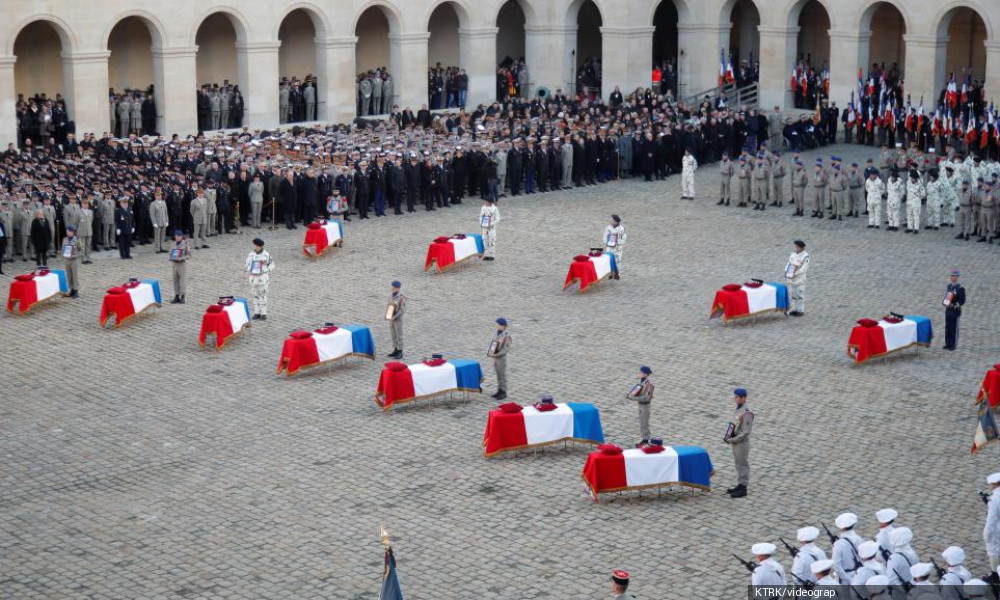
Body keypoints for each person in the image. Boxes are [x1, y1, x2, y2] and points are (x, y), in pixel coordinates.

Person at [724, 388, 753, 498]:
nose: (735, 399)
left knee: (743, 464)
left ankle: (743, 488)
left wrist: (733, 439)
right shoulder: (739, 409)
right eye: (735, 397)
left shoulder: (747, 413)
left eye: (737, 397)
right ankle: (740, 484)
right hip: (736, 441)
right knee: (738, 463)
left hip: (741, 442)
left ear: (743, 398)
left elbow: (746, 432)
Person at [245, 238, 274, 320]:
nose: (255, 247)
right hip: (253, 279)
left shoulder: (266, 255)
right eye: (255, 245)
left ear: (261, 246)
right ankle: (257, 313)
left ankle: (263, 314)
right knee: (255, 296)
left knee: (263, 296)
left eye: (257, 246)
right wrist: (250, 270)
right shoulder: (251, 255)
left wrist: (264, 270)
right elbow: (247, 265)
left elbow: (272, 265)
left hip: (262, 279)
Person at [832, 512, 864, 584]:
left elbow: (837, 566)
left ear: (841, 527)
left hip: (845, 580)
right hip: (859, 575)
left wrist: (849, 580)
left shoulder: (839, 544)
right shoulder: (859, 539)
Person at [626, 366, 654, 445]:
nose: (639, 374)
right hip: (640, 405)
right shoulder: (641, 382)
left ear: (645, 374)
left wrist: (634, 398)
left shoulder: (648, 385)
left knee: (645, 423)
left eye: (641, 372)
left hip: (645, 406)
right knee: (642, 423)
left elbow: (646, 397)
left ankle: (646, 439)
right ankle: (644, 438)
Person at [488, 317, 512, 400]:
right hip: (495, 358)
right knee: (498, 374)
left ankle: (503, 391)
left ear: (503, 326)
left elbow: (506, 348)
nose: (497, 326)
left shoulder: (506, 335)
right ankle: (499, 390)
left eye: (498, 324)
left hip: (501, 358)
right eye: (497, 324)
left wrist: (497, 354)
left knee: (502, 375)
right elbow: (494, 343)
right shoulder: (496, 333)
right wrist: (491, 352)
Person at [784, 240, 809, 316]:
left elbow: (804, 268)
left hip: (799, 278)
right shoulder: (793, 254)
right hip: (791, 277)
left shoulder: (805, 256)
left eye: (797, 247)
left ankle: (800, 310)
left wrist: (796, 273)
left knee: (799, 294)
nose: (795, 248)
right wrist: (785, 271)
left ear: (801, 247)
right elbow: (789, 263)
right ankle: (793, 309)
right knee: (792, 294)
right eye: (795, 246)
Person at [943, 269, 966, 351]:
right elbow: (947, 295)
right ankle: (948, 343)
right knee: (948, 327)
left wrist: (954, 305)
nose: (953, 277)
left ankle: (953, 345)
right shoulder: (949, 286)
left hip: (955, 311)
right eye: (952, 276)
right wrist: (946, 303)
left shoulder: (960, 288)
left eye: (954, 276)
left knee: (954, 327)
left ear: (957, 277)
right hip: (948, 310)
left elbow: (962, 301)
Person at [60, 225, 82, 298]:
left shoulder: (77, 240)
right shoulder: (65, 239)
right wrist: (63, 255)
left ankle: (76, 291)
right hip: (67, 260)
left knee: (74, 276)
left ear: (72, 232)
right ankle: (71, 289)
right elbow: (63, 249)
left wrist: (76, 255)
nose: (68, 233)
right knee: (69, 275)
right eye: (67, 231)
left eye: (69, 231)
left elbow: (81, 250)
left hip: (74, 260)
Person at [984, 471, 1000, 570]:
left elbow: (991, 520)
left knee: (993, 550)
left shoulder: (994, 499)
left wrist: (987, 534)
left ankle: (995, 574)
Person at [169, 230, 190, 304]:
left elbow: (188, 255)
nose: (177, 237)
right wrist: (171, 257)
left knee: (182, 280)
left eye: (178, 236)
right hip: (174, 264)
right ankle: (176, 295)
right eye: (176, 236)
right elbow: (171, 252)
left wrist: (181, 258)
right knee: (175, 280)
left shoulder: (185, 244)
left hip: (181, 264)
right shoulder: (173, 244)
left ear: (181, 237)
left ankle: (183, 296)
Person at [386, 280, 405, 358]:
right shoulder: (390, 295)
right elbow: (389, 305)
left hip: (397, 319)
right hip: (391, 318)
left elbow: (402, 310)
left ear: (399, 288)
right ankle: (395, 349)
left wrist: (394, 317)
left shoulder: (401, 297)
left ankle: (400, 351)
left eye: (396, 287)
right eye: (393, 287)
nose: (394, 288)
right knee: (393, 334)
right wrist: (389, 316)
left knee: (399, 335)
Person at [480, 197, 499, 261]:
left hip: (491, 227)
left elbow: (497, 218)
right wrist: (482, 223)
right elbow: (480, 217)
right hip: (485, 227)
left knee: (492, 240)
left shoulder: (495, 209)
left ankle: (492, 255)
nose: (486, 203)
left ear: (490, 202)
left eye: (487, 201)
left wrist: (492, 224)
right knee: (485, 240)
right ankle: (486, 255)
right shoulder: (483, 208)